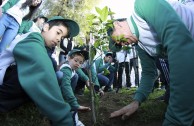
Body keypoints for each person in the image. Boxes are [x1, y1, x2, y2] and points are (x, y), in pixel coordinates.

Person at [109, 0, 194, 125]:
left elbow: (179, 44)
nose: (121, 44)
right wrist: (136, 101)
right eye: (119, 46)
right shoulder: (141, 46)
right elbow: (149, 73)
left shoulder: (143, 5)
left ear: (117, 24)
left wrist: (176, 120)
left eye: (118, 40)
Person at [0, 16, 80, 125]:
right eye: (58, 33)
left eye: (61, 38)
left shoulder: (43, 46)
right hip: (4, 79)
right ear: (46, 27)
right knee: (34, 73)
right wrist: (64, 118)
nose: (58, 39)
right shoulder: (32, 38)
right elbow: (42, 67)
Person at [58, 49, 91, 126]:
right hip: (59, 94)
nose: (78, 64)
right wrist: (75, 104)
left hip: (64, 94)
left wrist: (87, 79)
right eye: (76, 60)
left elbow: (80, 71)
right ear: (69, 58)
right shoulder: (66, 69)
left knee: (76, 75)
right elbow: (66, 86)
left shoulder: (71, 66)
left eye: (80, 63)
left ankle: (67, 100)